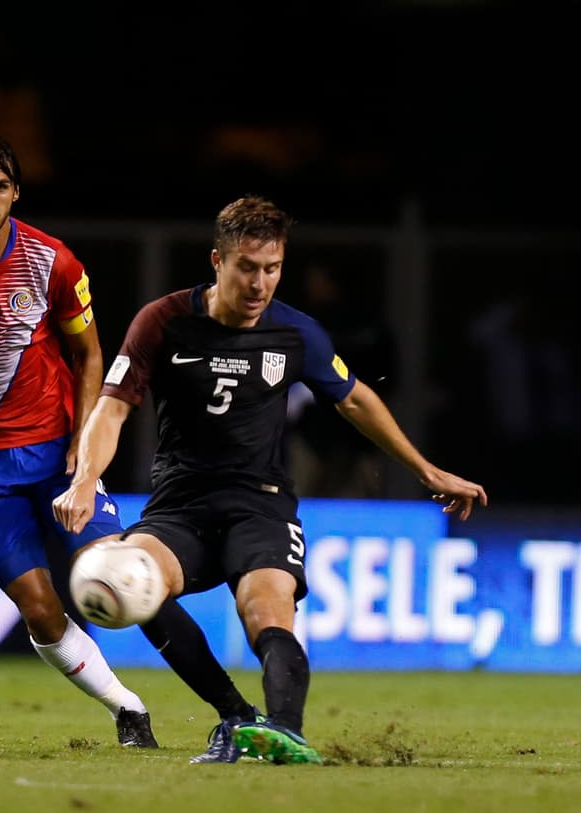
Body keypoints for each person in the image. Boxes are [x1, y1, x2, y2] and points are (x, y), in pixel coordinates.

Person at [53, 195, 488, 765]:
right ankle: (236, 717)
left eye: (272, 269)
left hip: (260, 507)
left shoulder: (297, 333)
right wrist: (86, 478)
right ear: (218, 261)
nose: (261, 283)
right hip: (180, 506)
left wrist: (426, 470)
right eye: (247, 268)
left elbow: (354, 399)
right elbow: (111, 409)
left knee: (266, 609)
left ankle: (285, 731)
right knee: (134, 584)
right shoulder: (163, 321)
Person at [0, 131, 157, 748]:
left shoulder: (53, 263)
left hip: (51, 452)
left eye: (0, 187)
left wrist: (86, 439)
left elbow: (90, 353)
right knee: (40, 610)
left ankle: (226, 707)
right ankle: (127, 708)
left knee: (119, 571)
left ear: (16, 191)